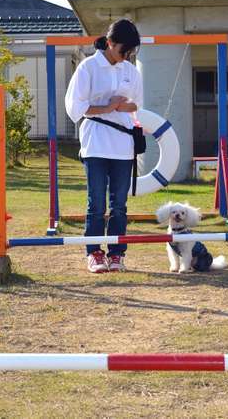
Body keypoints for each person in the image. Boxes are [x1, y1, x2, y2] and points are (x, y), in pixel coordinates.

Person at [65, 19, 143, 273]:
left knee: (119, 203)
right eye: (124, 50)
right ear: (110, 43)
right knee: (96, 203)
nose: (127, 56)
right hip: (96, 143)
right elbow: (75, 108)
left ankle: (117, 253)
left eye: (131, 52)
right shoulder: (88, 68)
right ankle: (94, 253)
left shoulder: (130, 71)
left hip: (123, 144)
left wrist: (121, 107)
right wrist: (107, 107)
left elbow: (137, 104)